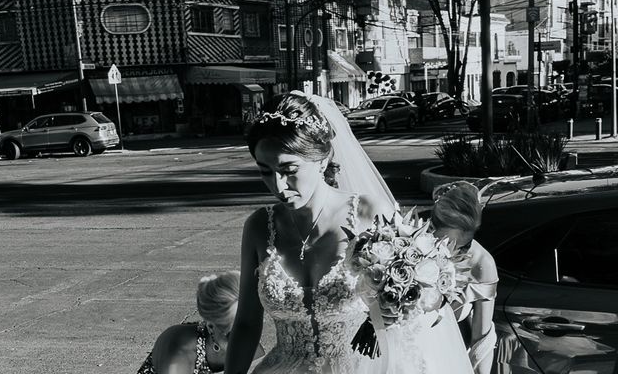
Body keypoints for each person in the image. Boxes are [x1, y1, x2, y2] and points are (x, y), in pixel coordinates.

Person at [225, 91, 474, 374]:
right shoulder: (259, 227)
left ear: (321, 159)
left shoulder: (370, 214)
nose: (278, 186)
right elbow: (246, 323)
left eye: (289, 169)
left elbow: (411, 320)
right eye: (265, 171)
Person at [137, 271, 264, 374]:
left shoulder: (252, 347)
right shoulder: (178, 353)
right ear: (210, 325)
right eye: (233, 334)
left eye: (251, 328)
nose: (246, 341)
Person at [431, 181, 499, 374]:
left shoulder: (482, 263)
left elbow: (482, 340)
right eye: (444, 243)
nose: (454, 253)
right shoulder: (406, 249)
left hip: (448, 360)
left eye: (464, 245)